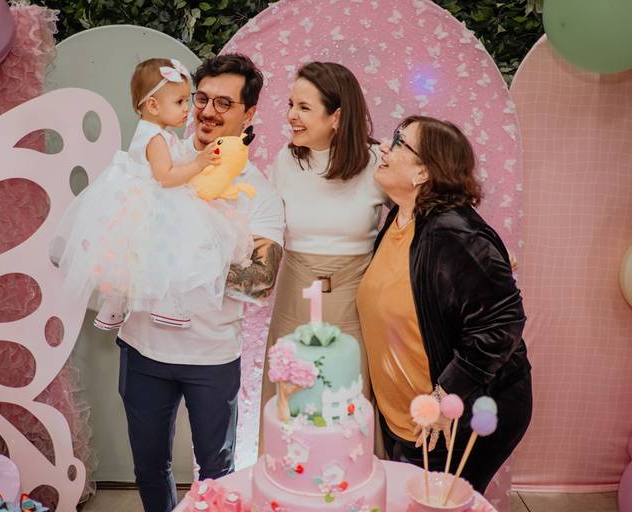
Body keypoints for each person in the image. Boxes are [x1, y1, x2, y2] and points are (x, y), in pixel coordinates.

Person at [114, 54, 284, 512]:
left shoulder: (259, 192)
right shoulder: (159, 161)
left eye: (224, 103)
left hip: (211, 356)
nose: (207, 111)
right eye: (201, 98)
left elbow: (260, 282)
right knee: (149, 468)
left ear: (249, 113)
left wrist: (188, 257)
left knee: (216, 473)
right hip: (144, 346)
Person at [356, 115, 532, 493]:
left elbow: (503, 324)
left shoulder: (454, 233)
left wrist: (443, 398)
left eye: (398, 141)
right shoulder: (402, 216)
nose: (384, 147)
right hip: (408, 418)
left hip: (455, 421)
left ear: (423, 172)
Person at [52, 57, 256, 331]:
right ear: (153, 105)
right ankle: (166, 304)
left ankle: (114, 307)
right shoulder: (156, 139)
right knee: (171, 252)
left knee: (128, 261)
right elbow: (165, 177)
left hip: (135, 203)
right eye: (180, 102)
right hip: (154, 203)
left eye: (186, 101)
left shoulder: (156, 133)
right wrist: (199, 163)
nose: (187, 109)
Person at [258, 61, 387, 452]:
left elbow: (416, 219)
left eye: (303, 107)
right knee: (290, 402)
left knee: (345, 404)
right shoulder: (285, 161)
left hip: (354, 300)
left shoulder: (377, 162)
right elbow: (264, 229)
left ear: (337, 117)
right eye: (290, 104)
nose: (290, 116)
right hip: (294, 295)